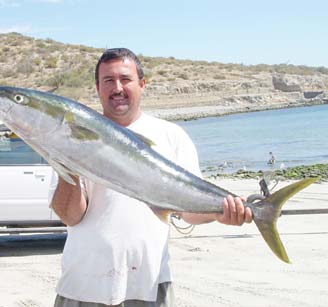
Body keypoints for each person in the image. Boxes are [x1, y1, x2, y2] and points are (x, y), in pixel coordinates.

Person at [50, 48, 253, 307]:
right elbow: (70, 216)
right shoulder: (74, 133)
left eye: (126, 79)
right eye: (108, 81)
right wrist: (72, 161)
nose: (117, 87)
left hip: (149, 285)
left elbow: (187, 212)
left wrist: (220, 212)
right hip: (82, 287)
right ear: (97, 87)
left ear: (142, 84)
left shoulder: (171, 135)